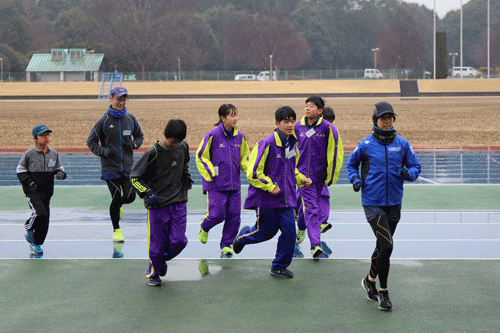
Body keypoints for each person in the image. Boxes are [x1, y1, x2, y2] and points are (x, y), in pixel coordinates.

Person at [346, 101, 421, 311]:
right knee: (387, 245)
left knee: (382, 246)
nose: (387, 121)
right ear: (375, 120)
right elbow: (351, 164)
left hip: (395, 202)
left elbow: (416, 166)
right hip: (372, 202)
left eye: (390, 118)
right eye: (383, 118)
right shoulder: (366, 145)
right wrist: (355, 180)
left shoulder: (403, 144)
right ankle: (384, 292)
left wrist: (409, 174)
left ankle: (369, 280)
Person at [232, 106, 312, 278]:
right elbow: (253, 172)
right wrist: (269, 185)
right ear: (277, 123)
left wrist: (301, 179)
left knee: (290, 232)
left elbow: (292, 170)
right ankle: (242, 237)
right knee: (265, 233)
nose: (290, 125)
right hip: (266, 198)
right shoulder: (267, 143)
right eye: (286, 121)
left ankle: (279, 266)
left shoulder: (292, 144)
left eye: (292, 121)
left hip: (286, 199)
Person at [130, 119, 193, 287]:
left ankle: (160, 260)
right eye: (172, 142)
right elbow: (135, 178)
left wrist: (186, 175)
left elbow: (184, 163)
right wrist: (147, 192)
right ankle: (154, 273)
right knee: (156, 245)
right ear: (164, 135)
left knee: (179, 241)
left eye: (178, 142)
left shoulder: (183, 147)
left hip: (179, 202)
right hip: (158, 206)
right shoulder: (153, 153)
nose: (175, 145)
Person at [87, 86, 144, 242]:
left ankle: (117, 206)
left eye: (124, 99)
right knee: (116, 195)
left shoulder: (131, 119)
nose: (121, 102)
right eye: (119, 99)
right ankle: (116, 229)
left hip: (127, 166)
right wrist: (104, 152)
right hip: (109, 167)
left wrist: (133, 145)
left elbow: (140, 136)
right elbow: (91, 142)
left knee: (130, 196)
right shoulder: (103, 121)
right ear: (110, 98)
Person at [195, 104, 249, 258]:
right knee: (217, 215)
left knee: (234, 216)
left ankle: (226, 244)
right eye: (232, 115)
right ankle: (204, 226)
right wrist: (210, 171)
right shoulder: (212, 135)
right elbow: (200, 156)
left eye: (236, 115)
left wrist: (251, 170)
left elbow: (244, 158)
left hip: (234, 185)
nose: (235, 118)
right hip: (216, 184)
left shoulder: (240, 137)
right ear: (223, 118)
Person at [295, 96, 343, 258]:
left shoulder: (328, 129)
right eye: (306, 106)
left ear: (320, 111)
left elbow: (334, 154)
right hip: (303, 178)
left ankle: (301, 228)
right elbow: (289, 150)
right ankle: (315, 245)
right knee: (311, 209)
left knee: (306, 210)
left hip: (320, 178)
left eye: (312, 106)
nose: (307, 108)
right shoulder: (297, 128)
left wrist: (331, 176)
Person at [16, 124, 67, 256]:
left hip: (47, 192)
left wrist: (61, 174)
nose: (46, 138)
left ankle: (36, 244)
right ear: (35, 138)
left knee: (44, 221)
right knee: (40, 213)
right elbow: (20, 171)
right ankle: (28, 228)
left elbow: (59, 168)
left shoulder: (54, 153)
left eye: (48, 135)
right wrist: (29, 182)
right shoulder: (29, 154)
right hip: (32, 192)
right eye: (43, 135)